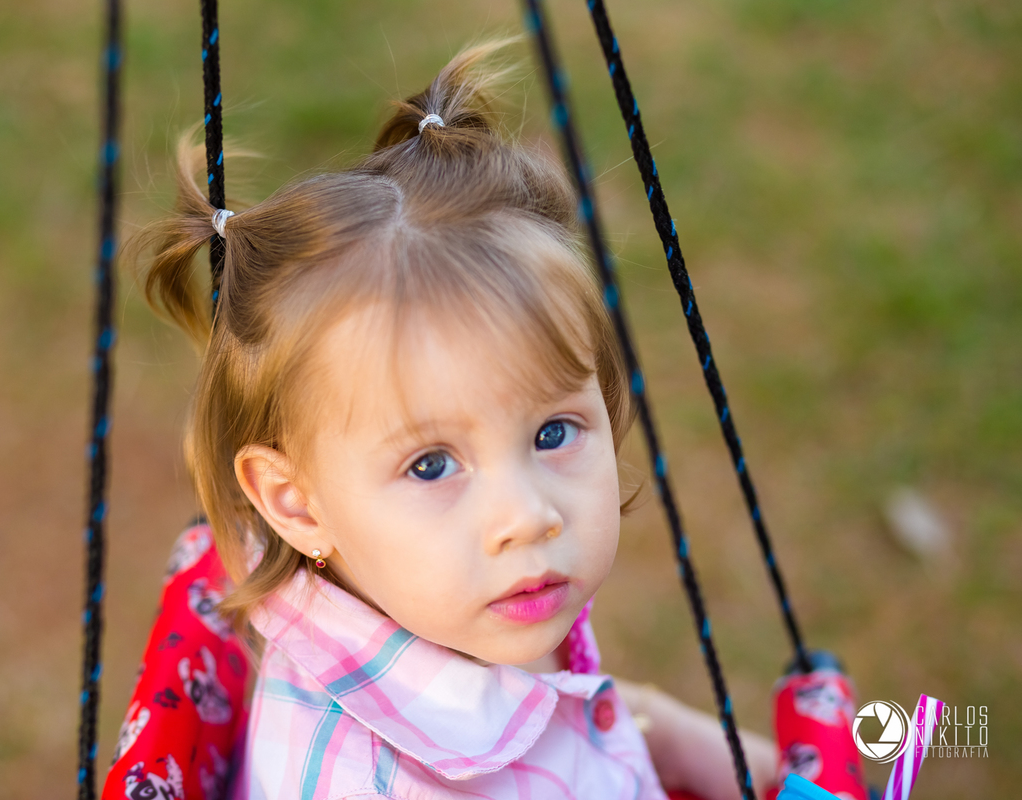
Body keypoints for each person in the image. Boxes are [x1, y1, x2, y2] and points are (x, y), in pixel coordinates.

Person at [124, 40, 778, 800]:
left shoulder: (453, 604)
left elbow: (561, 716)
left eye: (553, 433)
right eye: (431, 464)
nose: (528, 516)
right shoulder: (369, 781)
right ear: (296, 501)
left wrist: (667, 730)